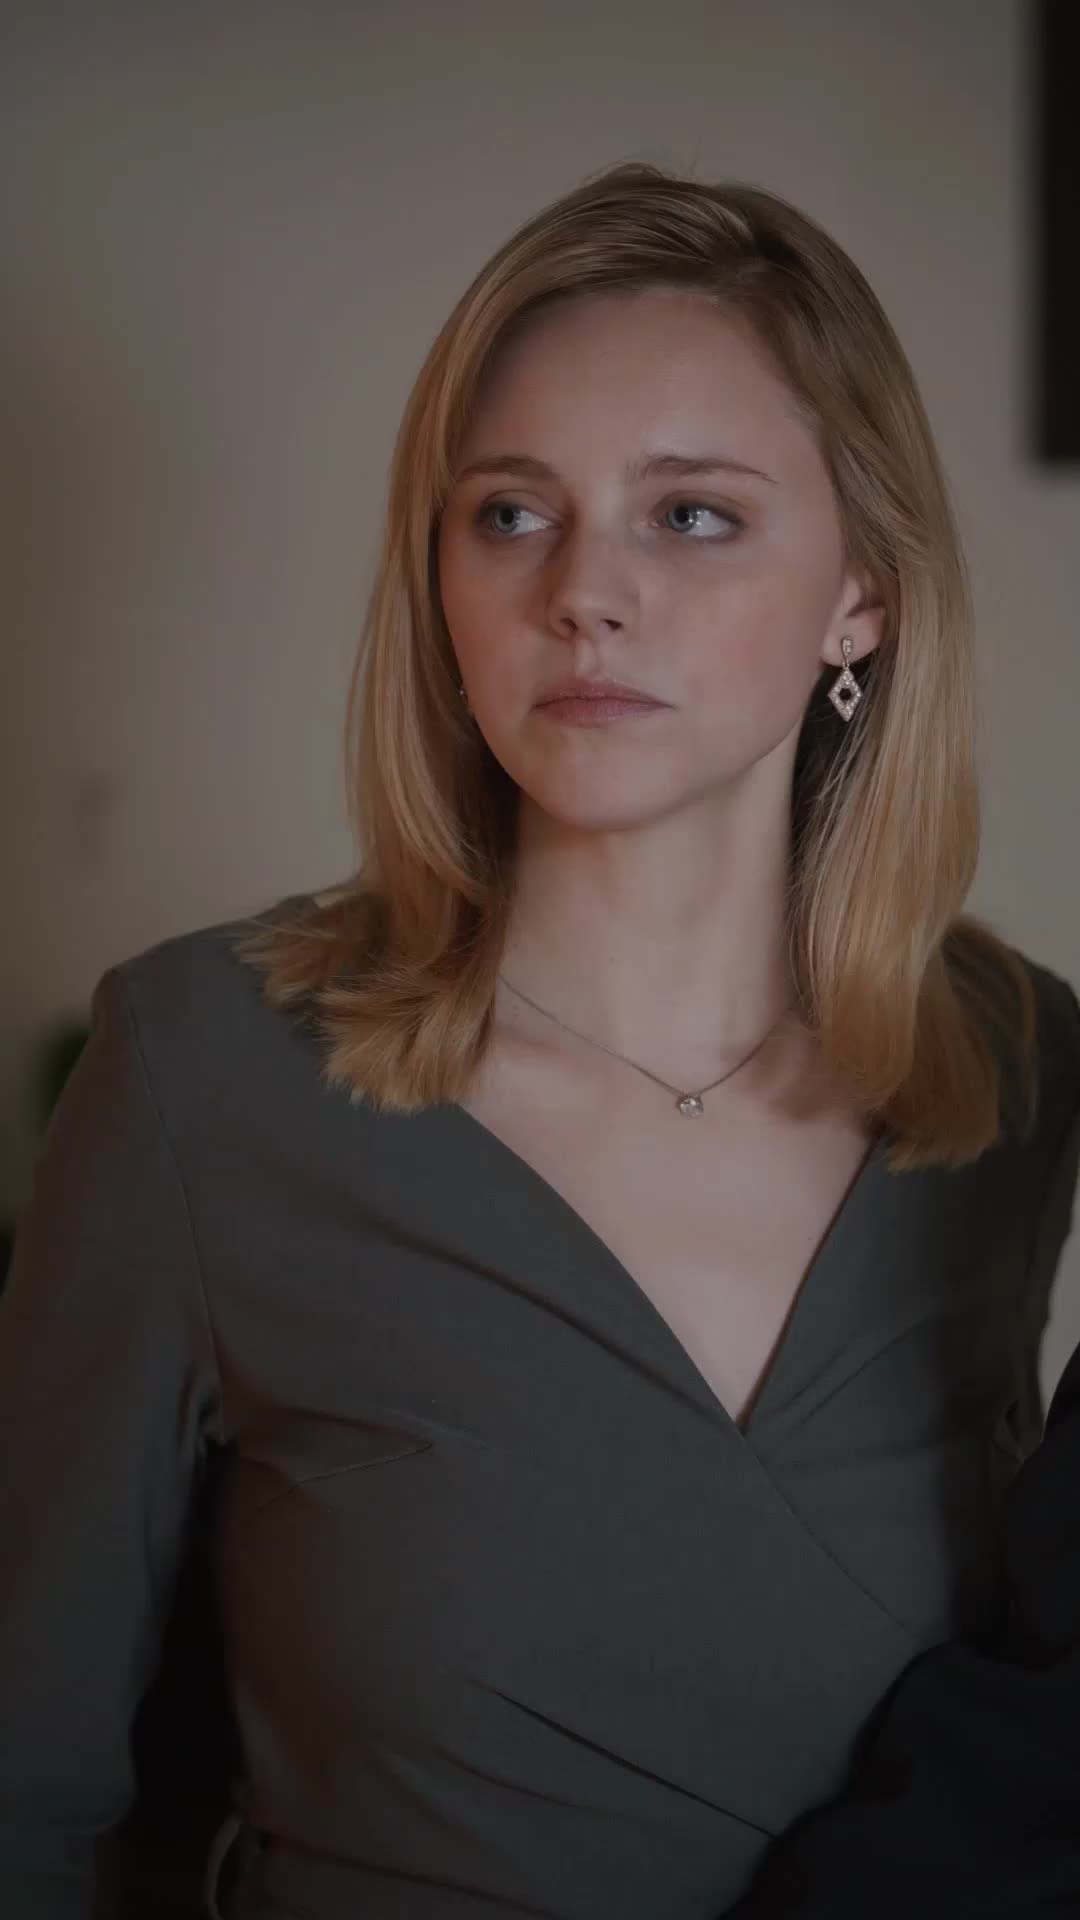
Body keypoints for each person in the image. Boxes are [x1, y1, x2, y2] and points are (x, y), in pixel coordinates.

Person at [1, 160, 1078, 1920]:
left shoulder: (1014, 1075)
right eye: (511, 513)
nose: (585, 590)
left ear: (863, 596)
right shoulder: (203, 1067)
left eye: (693, 515)